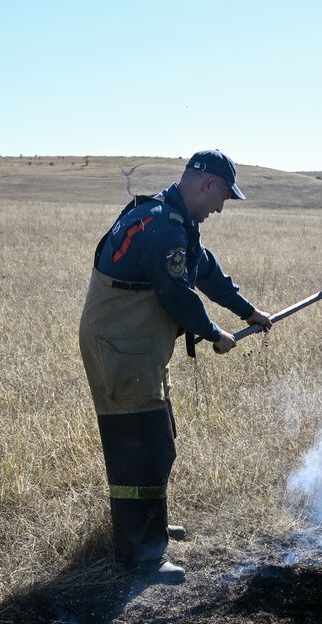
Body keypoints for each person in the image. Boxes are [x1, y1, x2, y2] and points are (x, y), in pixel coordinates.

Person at [79, 150, 270, 584]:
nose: (220, 207)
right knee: (139, 448)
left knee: (160, 437)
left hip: (137, 346)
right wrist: (213, 332)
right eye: (222, 196)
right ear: (205, 184)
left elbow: (204, 271)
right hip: (120, 348)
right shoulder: (163, 225)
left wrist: (246, 311)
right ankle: (140, 556)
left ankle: (151, 527)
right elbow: (176, 293)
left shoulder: (174, 221)